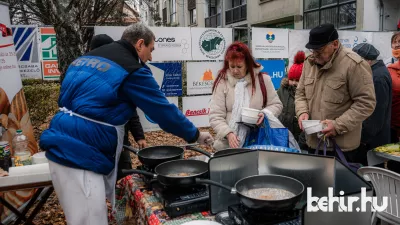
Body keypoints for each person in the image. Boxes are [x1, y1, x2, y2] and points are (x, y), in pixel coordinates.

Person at [39, 22, 213, 225]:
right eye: (151, 50)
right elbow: (163, 111)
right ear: (140, 44)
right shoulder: (131, 69)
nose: (151, 57)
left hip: (61, 142)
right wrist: (195, 135)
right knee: (88, 221)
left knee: (78, 217)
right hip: (80, 154)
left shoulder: (85, 59)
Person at [295, 24, 376, 164]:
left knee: (337, 186)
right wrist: (302, 111)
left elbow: (366, 103)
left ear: (335, 44)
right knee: (314, 185)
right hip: (313, 143)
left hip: (341, 148)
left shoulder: (354, 65)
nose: (315, 54)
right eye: (312, 50)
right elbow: (300, 93)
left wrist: (338, 125)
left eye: (319, 50)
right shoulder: (310, 62)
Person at [89, 34, 147, 181]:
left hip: (122, 140)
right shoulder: (88, 77)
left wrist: (139, 136)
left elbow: (130, 110)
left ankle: (121, 202)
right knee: (98, 178)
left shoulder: (118, 72)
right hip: (96, 142)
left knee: (124, 176)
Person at [209, 42, 283, 151]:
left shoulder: (263, 80)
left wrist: (265, 114)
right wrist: (228, 133)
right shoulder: (222, 82)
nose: (234, 70)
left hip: (257, 142)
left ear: (248, 64)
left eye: (239, 66)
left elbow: (276, 104)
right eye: (232, 66)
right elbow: (216, 115)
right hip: (227, 145)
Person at [352, 43, 392, 165]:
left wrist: (363, 138)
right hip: (371, 138)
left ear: (367, 60)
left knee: (371, 177)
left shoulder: (377, 78)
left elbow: (376, 114)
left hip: (372, 140)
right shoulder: (375, 72)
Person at [277, 51, 305, 144]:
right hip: (284, 134)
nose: (293, 83)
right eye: (291, 79)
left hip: (301, 137)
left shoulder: (306, 92)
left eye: (297, 80)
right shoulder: (282, 90)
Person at [388, 32, 400, 143]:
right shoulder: (389, 68)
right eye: (394, 42)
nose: (396, 45)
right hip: (393, 123)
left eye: (399, 42)